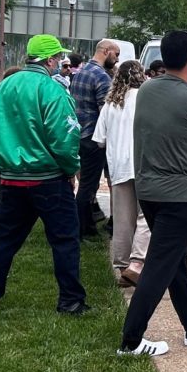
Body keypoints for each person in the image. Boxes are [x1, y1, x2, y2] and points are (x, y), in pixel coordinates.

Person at [119, 30, 187, 356]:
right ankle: (132, 339)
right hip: (178, 195)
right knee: (158, 266)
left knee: (175, 261)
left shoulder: (146, 90)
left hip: (148, 190)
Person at [0, 34, 87, 314]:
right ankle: (70, 300)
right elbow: (65, 137)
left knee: (4, 238)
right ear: (49, 59)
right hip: (48, 178)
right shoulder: (53, 90)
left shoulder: (3, 86)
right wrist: (71, 169)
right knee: (65, 240)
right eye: (58, 57)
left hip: (10, 177)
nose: (60, 62)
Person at [92, 60, 151, 286]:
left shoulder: (110, 104)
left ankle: (122, 265)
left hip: (118, 166)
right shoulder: (147, 99)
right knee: (146, 214)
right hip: (143, 162)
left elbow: (99, 140)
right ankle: (138, 261)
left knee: (123, 219)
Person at [71, 39, 120, 237]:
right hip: (93, 137)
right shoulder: (101, 76)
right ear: (106, 51)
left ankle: (85, 225)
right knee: (88, 187)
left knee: (85, 184)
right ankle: (83, 229)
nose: (117, 59)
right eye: (116, 54)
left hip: (78, 134)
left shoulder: (81, 71)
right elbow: (105, 112)